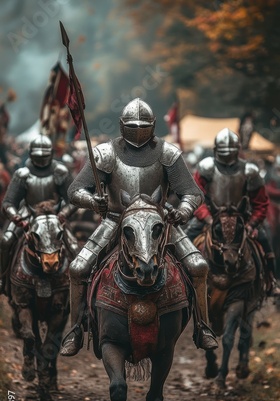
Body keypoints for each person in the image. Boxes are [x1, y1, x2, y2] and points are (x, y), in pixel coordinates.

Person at [60, 97, 218, 356]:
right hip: (115, 219)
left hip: (160, 220)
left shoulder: (167, 153)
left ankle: (202, 326)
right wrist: (93, 201)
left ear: (153, 125)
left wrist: (183, 210)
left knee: (198, 266)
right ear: (122, 126)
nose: (137, 130)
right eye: (132, 125)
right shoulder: (106, 153)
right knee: (78, 268)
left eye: (142, 125)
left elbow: (192, 193)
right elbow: (75, 190)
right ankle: (76, 328)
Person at [186, 127, 280, 296]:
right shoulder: (206, 167)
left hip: (242, 220)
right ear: (216, 150)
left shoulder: (249, 171)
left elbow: (260, 203)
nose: (227, 155)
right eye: (224, 152)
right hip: (210, 219)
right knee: (185, 241)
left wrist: (252, 224)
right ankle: (184, 284)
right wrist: (207, 218)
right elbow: (196, 197)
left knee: (265, 240)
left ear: (237, 151)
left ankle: (270, 281)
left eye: (230, 151)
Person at [0, 134, 78, 295]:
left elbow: (72, 199)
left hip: (55, 217)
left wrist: (63, 214)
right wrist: (17, 218)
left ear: (50, 154)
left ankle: (81, 287)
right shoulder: (22, 174)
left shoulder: (60, 172)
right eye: (38, 156)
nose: (41, 159)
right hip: (28, 214)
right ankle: (3, 279)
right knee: (6, 241)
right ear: (31, 155)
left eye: (44, 156)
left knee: (75, 248)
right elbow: (8, 202)